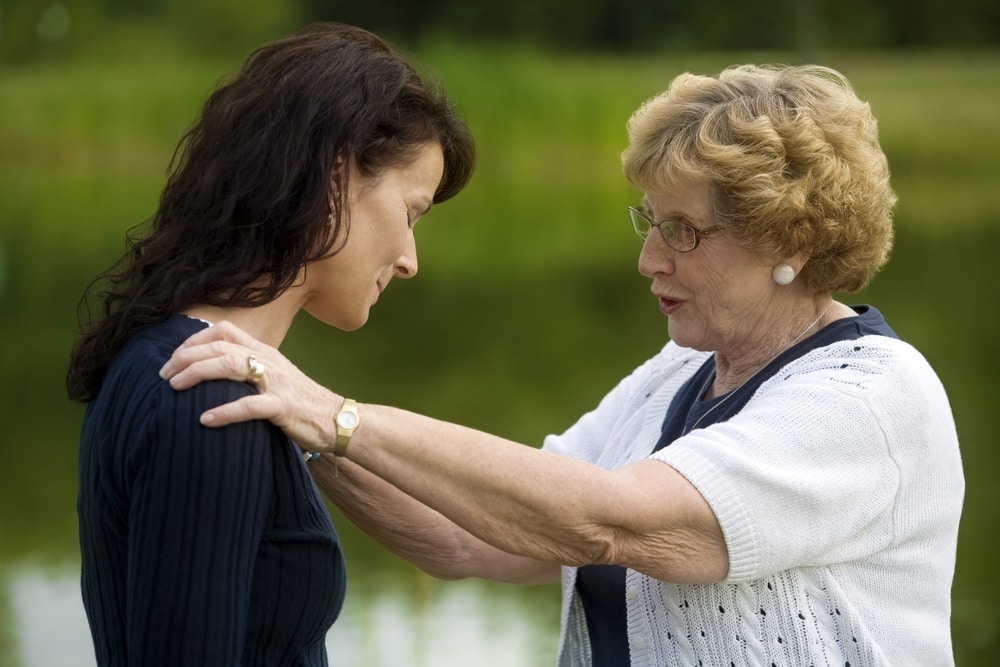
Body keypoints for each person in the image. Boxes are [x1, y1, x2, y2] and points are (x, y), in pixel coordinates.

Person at [158, 64, 965, 665]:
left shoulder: (873, 399)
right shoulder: (675, 377)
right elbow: (474, 535)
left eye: (683, 230)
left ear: (791, 243)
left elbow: (612, 520)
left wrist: (336, 414)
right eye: (648, 221)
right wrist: (289, 421)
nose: (649, 258)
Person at [66, 22, 475, 666]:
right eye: (412, 211)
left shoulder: (168, 358)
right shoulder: (208, 396)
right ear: (336, 177)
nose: (409, 260)